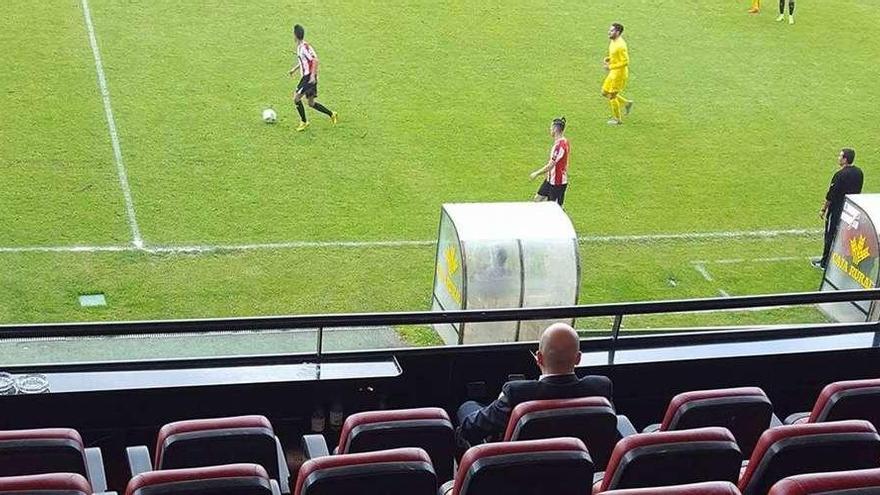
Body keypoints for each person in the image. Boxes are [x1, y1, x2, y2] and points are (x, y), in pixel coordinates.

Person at [455, 323, 612, 447]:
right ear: (578, 358)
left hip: (520, 475)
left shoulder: (517, 393)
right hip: (580, 473)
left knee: (467, 408)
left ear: (539, 358)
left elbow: (473, 428)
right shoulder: (601, 388)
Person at [815, 148, 863, 269]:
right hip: (851, 209)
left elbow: (831, 195)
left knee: (830, 235)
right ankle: (849, 260)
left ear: (845, 159)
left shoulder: (839, 175)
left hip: (837, 209)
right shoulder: (859, 173)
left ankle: (825, 263)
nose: (838, 158)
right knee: (847, 234)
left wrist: (823, 209)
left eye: (840, 156)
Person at [287, 24, 338, 132]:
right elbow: (304, 61)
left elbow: (315, 60)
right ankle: (332, 114)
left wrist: (311, 76)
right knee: (311, 103)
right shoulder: (301, 46)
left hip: (308, 78)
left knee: (296, 99)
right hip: (309, 77)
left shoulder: (304, 47)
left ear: (295, 35)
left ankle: (304, 122)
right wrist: (294, 69)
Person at [529, 117, 570, 206]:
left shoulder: (559, 146)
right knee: (537, 199)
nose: (550, 130)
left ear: (555, 129)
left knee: (554, 209)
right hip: (550, 180)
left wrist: (536, 173)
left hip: (557, 183)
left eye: (551, 128)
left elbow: (550, 165)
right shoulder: (564, 141)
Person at [602, 23, 633, 126]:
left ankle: (617, 119)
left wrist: (610, 66)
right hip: (614, 72)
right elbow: (616, 56)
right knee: (604, 92)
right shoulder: (613, 41)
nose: (609, 32)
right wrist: (609, 58)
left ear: (617, 32)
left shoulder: (621, 46)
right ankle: (626, 103)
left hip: (619, 74)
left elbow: (626, 61)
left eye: (611, 31)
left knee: (612, 96)